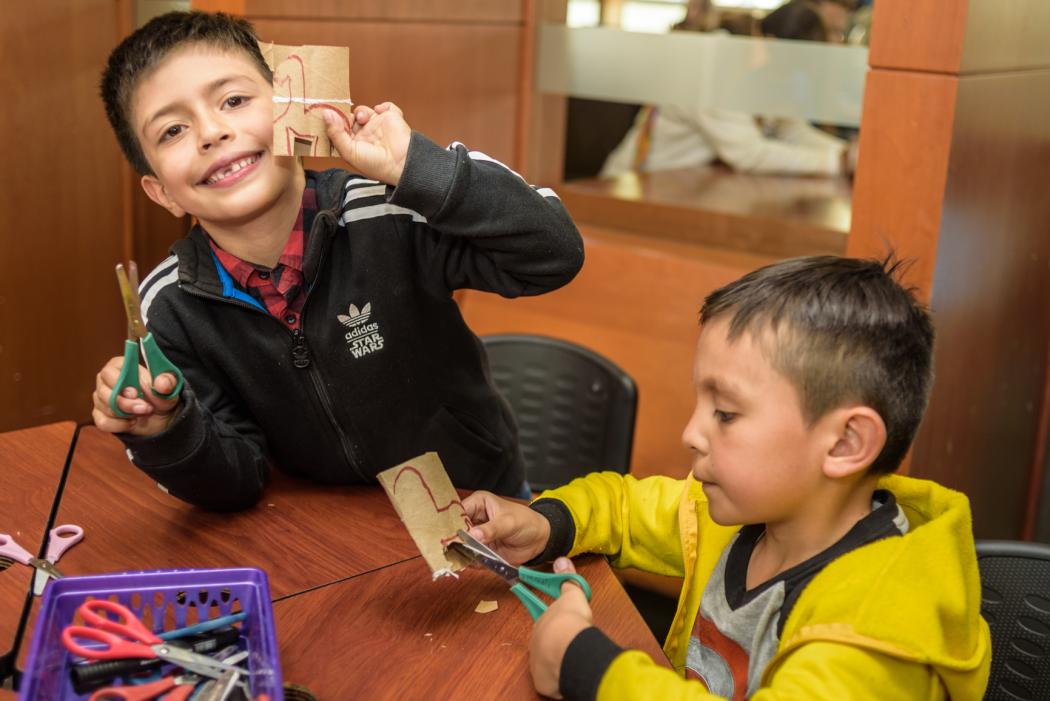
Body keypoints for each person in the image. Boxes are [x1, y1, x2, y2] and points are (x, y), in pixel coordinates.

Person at [90, 11, 584, 510]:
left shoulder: (392, 211)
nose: (211, 132)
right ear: (161, 193)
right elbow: (234, 481)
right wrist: (165, 427)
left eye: (234, 100)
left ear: (291, 107)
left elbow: (552, 254)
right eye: (173, 130)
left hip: (478, 501)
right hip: (325, 527)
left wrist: (417, 167)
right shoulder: (170, 303)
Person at [462, 255, 991, 700]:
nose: (692, 432)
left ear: (846, 443)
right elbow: (624, 507)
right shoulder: (751, 515)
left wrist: (584, 664)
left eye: (727, 413)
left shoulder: (875, 631)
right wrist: (545, 522)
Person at [600, 1, 855, 179]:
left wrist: (846, 153)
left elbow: (789, 128)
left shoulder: (765, 68)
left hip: (689, 183)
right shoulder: (715, 66)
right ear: (772, 42)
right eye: (792, 67)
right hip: (634, 183)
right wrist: (837, 162)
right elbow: (748, 154)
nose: (790, 78)